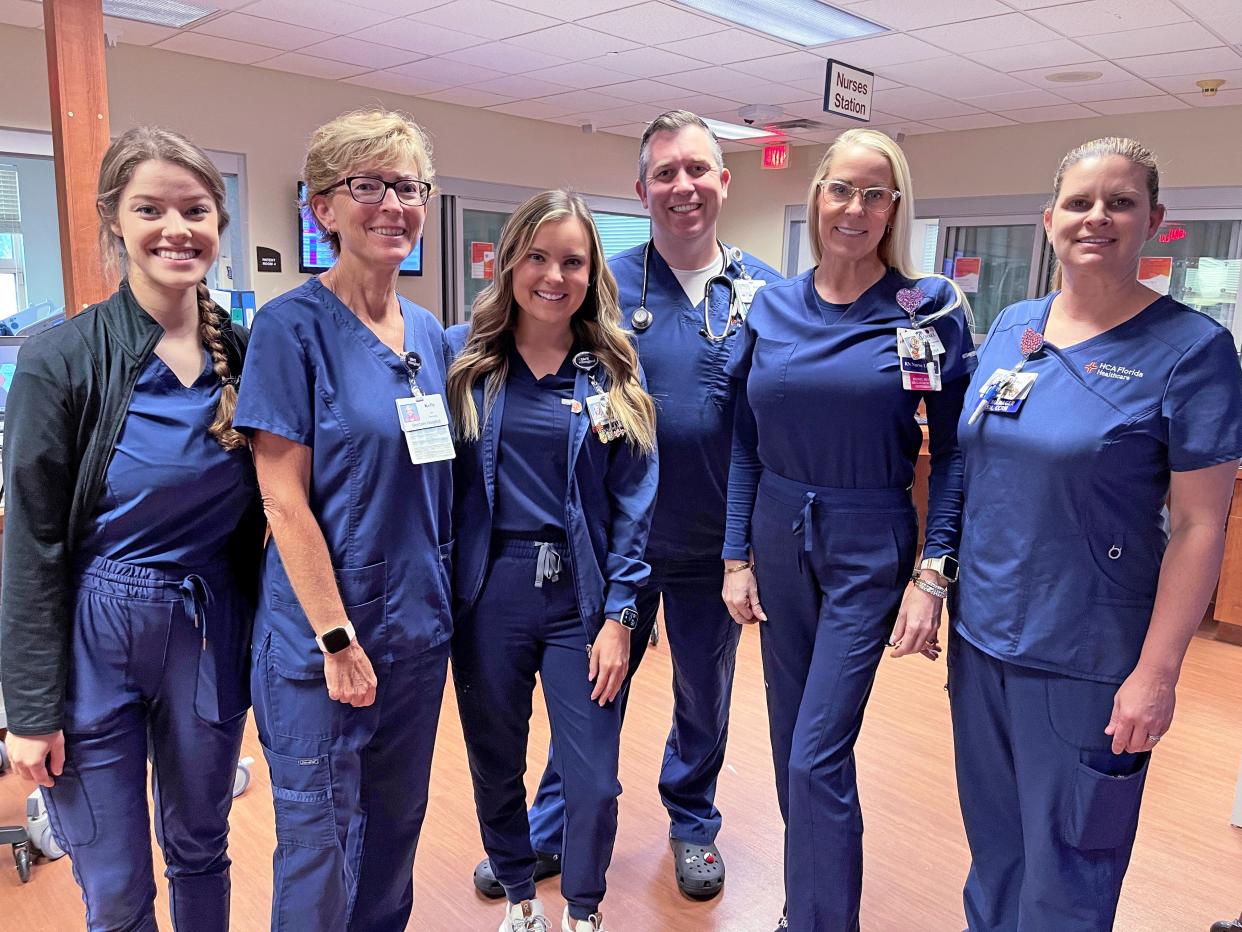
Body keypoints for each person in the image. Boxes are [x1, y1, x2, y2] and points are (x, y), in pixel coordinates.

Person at [475, 109, 783, 905]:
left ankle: (692, 822)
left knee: (704, 692)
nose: (683, 186)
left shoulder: (766, 296)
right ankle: (553, 830)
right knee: (590, 692)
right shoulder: (601, 285)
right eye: (666, 173)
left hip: (717, 542)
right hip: (609, 540)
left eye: (698, 169)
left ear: (724, 178)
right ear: (642, 188)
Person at [951, 137, 1242, 932]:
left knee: (1068, 874)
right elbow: (970, 469)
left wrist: (1158, 672)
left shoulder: (1194, 351)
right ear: (1049, 219)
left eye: (1121, 202)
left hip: (1088, 660)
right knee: (996, 856)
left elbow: (1199, 524)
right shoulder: (1014, 325)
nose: (1098, 218)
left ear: (1156, 220)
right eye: (1080, 202)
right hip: (982, 644)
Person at [0, 125, 262, 930]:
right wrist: (28, 708)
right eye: (150, 208)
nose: (175, 229)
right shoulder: (63, 359)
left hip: (208, 630)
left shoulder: (248, 356)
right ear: (116, 219)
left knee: (200, 848)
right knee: (114, 884)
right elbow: (30, 543)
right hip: (94, 635)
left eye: (194, 209)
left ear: (219, 222)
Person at [722, 127, 976, 931]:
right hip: (777, 531)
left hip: (869, 538)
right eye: (842, 189)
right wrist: (736, 554)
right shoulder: (772, 306)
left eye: (875, 193)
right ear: (817, 196)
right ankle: (812, 905)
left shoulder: (927, 308)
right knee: (791, 745)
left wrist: (933, 572)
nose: (855, 208)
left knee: (816, 753)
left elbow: (959, 449)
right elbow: (743, 438)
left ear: (894, 206)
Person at [232, 109, 453, 930]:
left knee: (396, 834)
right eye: (367, 186)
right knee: (320, 846)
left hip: (417, 635)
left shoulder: (428, 335)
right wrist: (335, 636)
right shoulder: (290, 331)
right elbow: (282, 498)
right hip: (322, 644)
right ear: (322, 208)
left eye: (407, 187)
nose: (391, 204)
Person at [446, 189, 658, 932]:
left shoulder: (612, 375)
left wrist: (621, 616)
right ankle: (519, 898)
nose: (553, 276)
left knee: (594, 780)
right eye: (536, 256)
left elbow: (635, 504)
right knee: (495, 761)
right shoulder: (464, 365)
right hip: (488, 594)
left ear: (591, 271)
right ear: (509, 264)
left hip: (582, 599)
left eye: (572, 260)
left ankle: (585, 910)